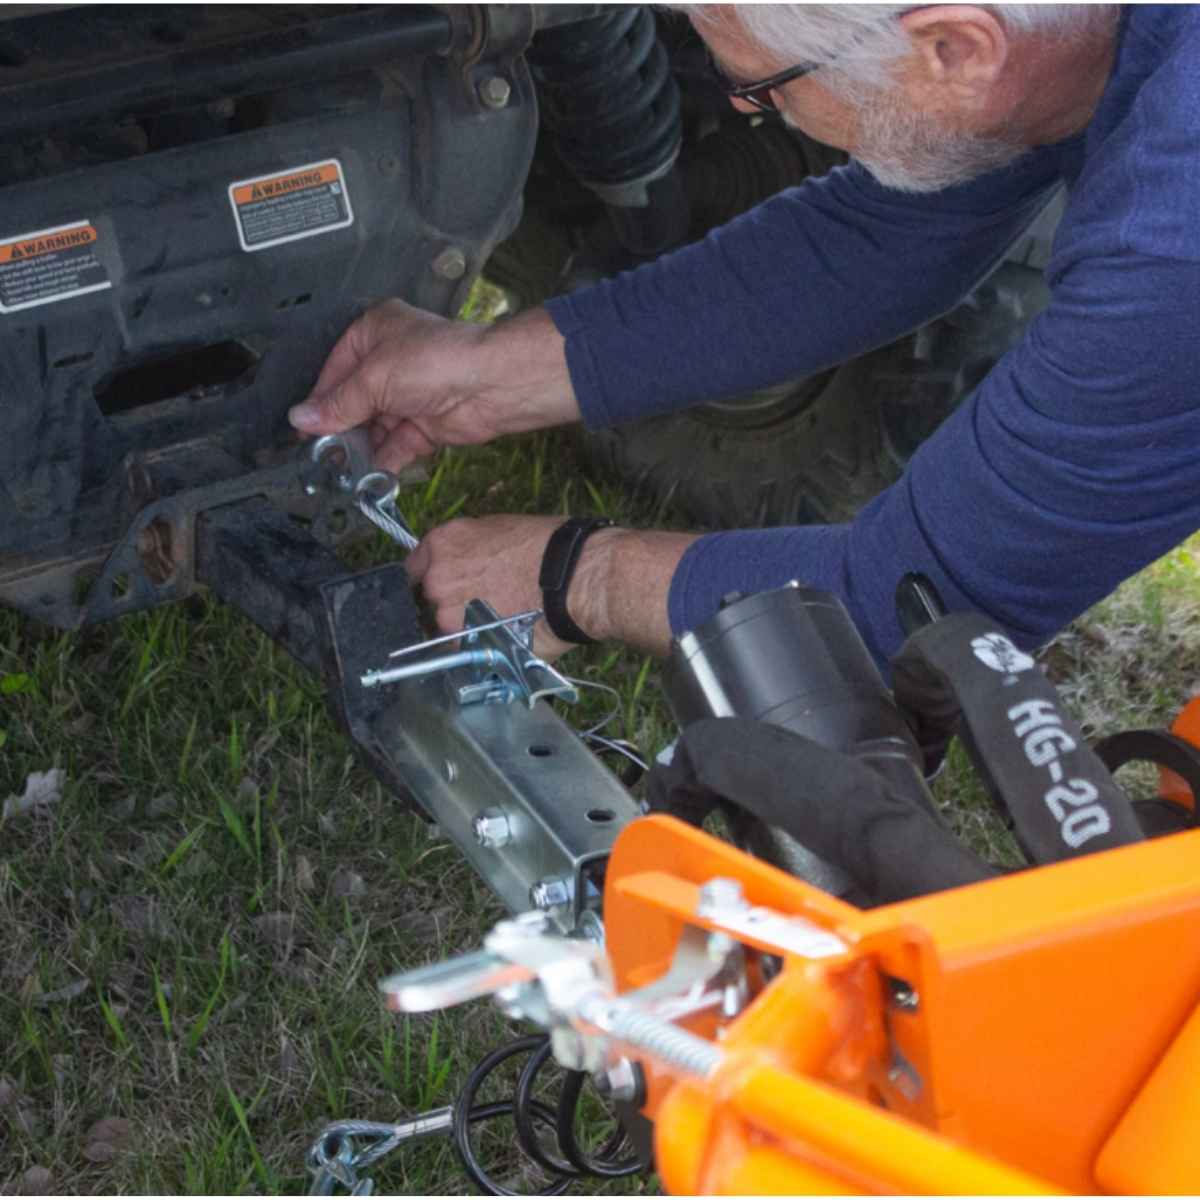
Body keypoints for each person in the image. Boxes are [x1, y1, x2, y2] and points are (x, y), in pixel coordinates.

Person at [287, 3, 1200, 672]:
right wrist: (488, 372)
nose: (747, 112)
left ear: (955, 47)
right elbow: (874, 239)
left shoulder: (1169, 246)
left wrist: (578, 575)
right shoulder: (1073, 41)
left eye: (761, 87)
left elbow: (927, 600)